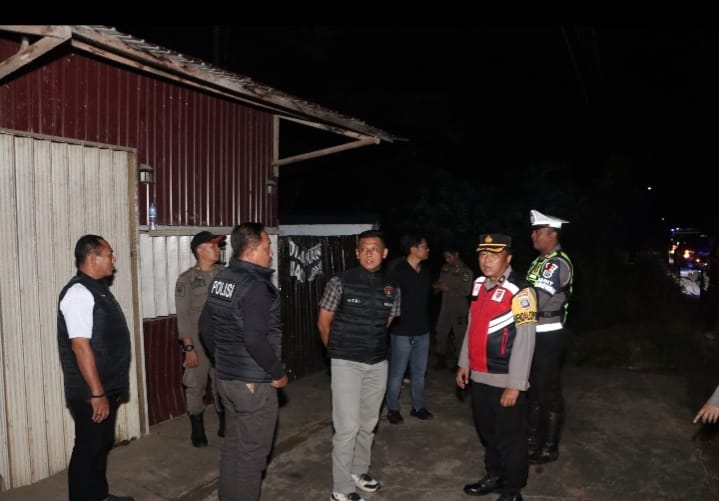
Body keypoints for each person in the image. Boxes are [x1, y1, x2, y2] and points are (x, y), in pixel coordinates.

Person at [199, 222, 288, 501]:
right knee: (251, 459)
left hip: (227, 380)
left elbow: (205, 326)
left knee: (234, 449)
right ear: (251, 251)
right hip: (253, 383)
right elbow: (255, 339)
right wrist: (277, 371)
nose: (270, 253)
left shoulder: (223, 279)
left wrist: (223, 359)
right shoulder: (257, 287)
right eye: (267, 247)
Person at [317, 229, 400, 501]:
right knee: (347, 427)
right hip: (346, 362)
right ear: (356, 253)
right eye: (363, 248)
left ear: (384, 253)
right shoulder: (340, 282)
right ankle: (341, 489)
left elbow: (386, 323)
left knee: (369, 422)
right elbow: (324, 323)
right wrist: (338, 354)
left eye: (374, 249)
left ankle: (358, 471)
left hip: (378, 362)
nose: (368, 253)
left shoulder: (392, 287)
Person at [457, 233, 537, 501]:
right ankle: (493, 476)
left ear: (508, 258)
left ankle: (512, 490)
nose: (487, 260)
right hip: (479, 376)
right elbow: (472, 326)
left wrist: (515, 385)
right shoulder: (479, 284)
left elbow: (525, 341)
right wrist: (464, 362)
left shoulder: (521, 291)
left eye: (494, 255)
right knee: (489, 434)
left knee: (510, 439)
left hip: (505, 378)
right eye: (483, 254)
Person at [57, 234, 134, 501]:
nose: (114, 259)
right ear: (93, 257)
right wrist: (97, 393)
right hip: (91, 391)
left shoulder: (97, 289)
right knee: (88, 449)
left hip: (105, 387)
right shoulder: (78, 293)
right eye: (110, 254)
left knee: (100, 445)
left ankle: (98, 495)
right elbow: (80, 346)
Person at [525, 209, 574, 465]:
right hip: (534, 331)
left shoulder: (556, 263)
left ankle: (549, 447)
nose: (533, 235)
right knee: (533, 390)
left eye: (537, 231)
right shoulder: (539, 261)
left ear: (552, 234)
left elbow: (535, 300)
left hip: (548, 334)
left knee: (548, 392)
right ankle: (532, 441)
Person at [175, 230, 227, 447]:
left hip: (223, 339)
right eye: (213, 246)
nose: (218, 249)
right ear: (200, 250)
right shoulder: (186, 280)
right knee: (195, 385)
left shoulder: (226, 274)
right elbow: (183, 316)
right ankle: (197, 430)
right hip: (198, 341)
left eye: (218, 246)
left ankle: (225, 423)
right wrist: (189, 348)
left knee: (223, 383)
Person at [385, 233, 434, 424]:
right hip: (401, 332)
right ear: (413, 248)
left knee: (419, 373)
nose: (428, 249)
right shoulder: (397, 272)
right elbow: (388, 303)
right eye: (424, 246)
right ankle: (393, 409)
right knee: (397, 373)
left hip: (422, 331)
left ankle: (418, 407)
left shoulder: (426, 272)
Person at [432, 246, 473, 371]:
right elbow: (440, 282)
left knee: (459, 336)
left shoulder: (466, 271)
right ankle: (441, 360)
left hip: (459, 309)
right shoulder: (445, 268)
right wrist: (437, 287)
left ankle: (459, 363)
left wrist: (448, 289)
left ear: (456, 254)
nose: (447, 260)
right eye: (445, 257)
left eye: (449, 257)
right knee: (441, 332)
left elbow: (466, 291)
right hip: (445, 307)